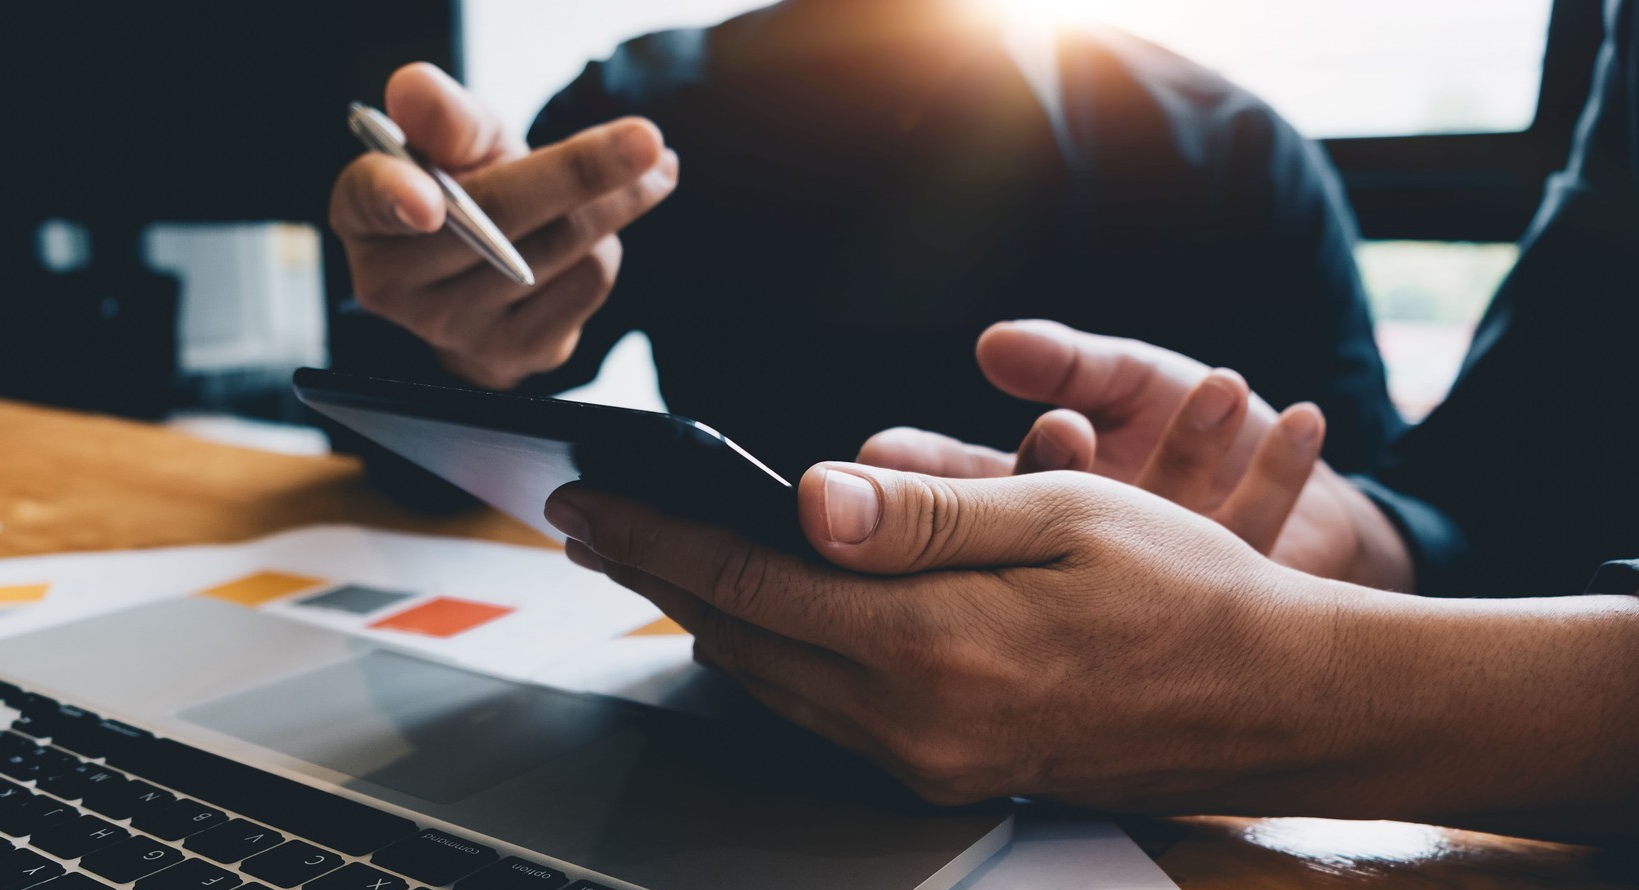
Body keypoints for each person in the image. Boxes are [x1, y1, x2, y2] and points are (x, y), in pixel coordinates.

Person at [533, 0, 1639, 842]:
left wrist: (1314, 644)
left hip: (1184, 859)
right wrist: (1362, 547)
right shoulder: (636, 112)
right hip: (688, 762)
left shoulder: (1242, 156)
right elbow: (1511, 510)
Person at [329, 0, 1403, 485]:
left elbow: (1372, 527)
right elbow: (398, 452)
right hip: (717, 702)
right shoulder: (642, 106)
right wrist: (457, 346)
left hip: (1148, 768)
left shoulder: (1238, 156)